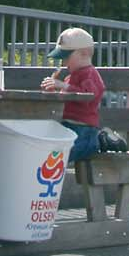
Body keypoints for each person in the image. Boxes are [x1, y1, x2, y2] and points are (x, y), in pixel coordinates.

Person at [41, 26, 105, 161]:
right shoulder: (71, 77)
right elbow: (67, 99)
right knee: (44, 151)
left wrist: (63, 86)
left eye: (66, 57)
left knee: (52, 156)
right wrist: (53, 92)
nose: (63, 62)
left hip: (84, 133)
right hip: (70, 129)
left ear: (84, 53)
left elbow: (89, 95)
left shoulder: (89, 74)